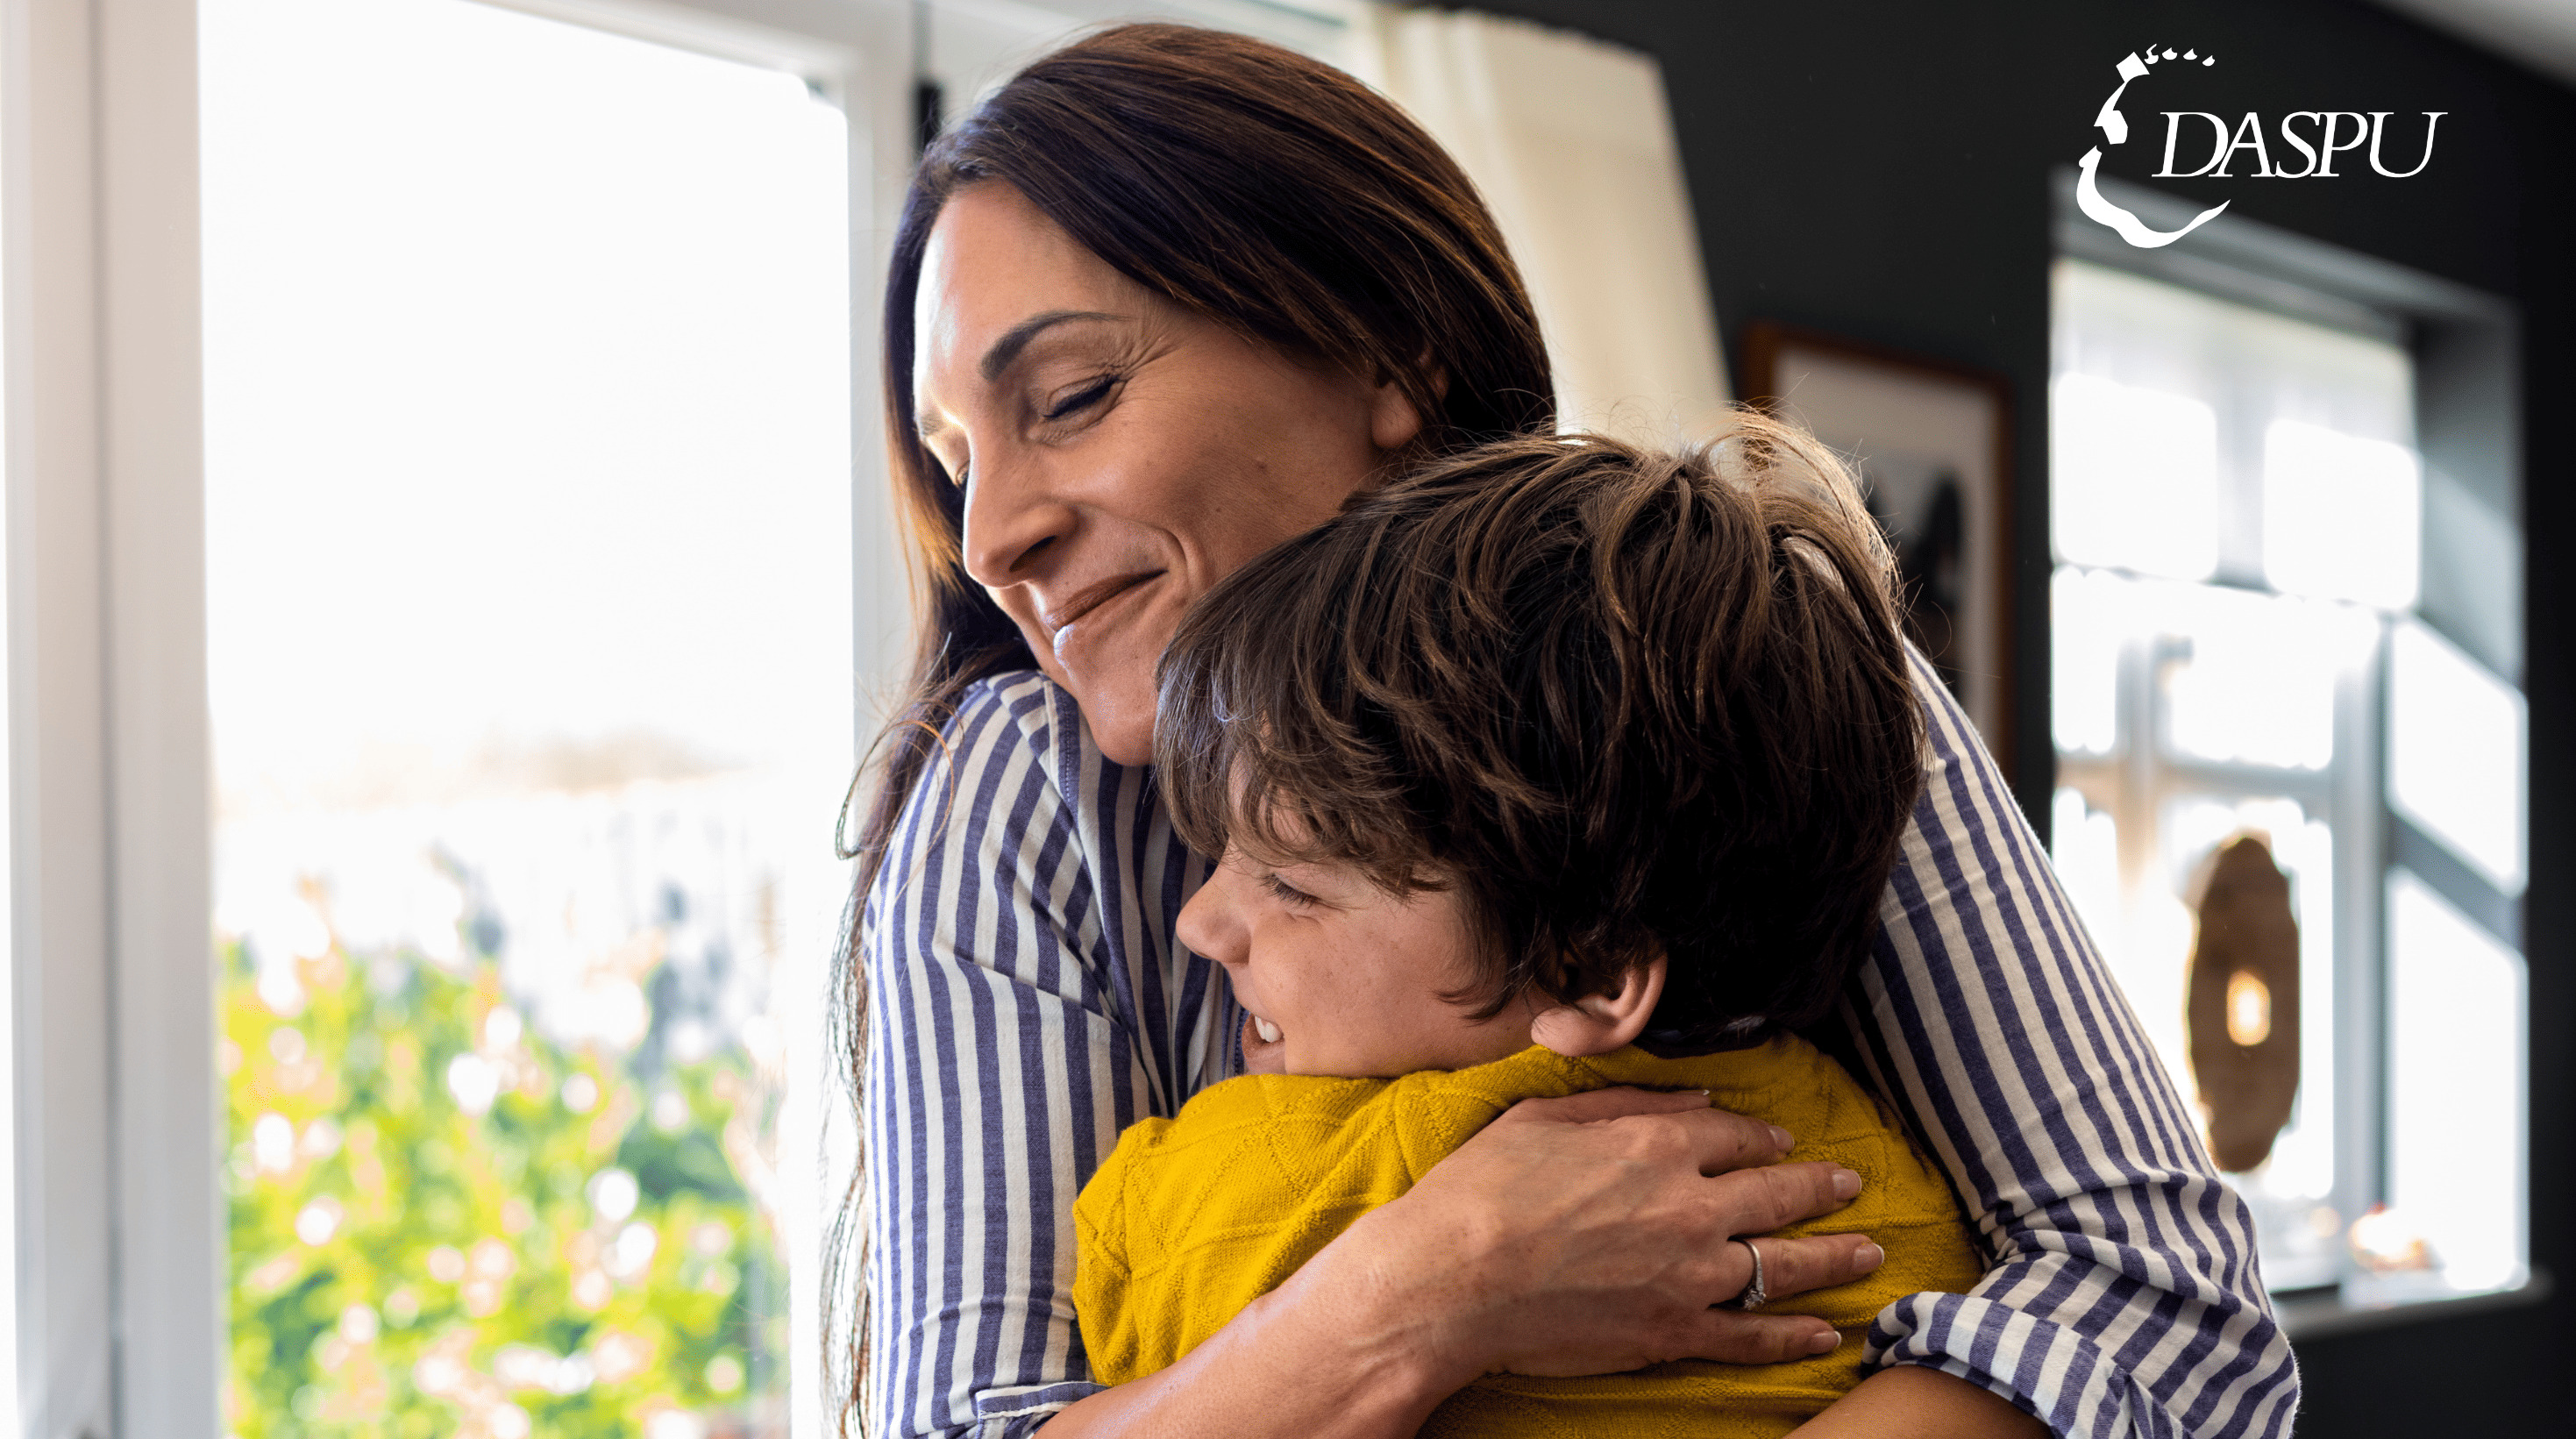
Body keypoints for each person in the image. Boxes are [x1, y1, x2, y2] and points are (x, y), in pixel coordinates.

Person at [841, 21, 2294, 1439]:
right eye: (952, 460)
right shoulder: (1013, 801)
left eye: (1072, 396)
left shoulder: (1738, 673)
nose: (989, 535)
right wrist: (1434, 1284)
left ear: (1386, 352)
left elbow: (2168, 1314)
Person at [1075, 426, 1989, 1439]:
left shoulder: (1283, 1173)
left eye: (1291, 886)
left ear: (1586, 968)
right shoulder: (1891, 1190)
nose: (1201, 924)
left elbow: (1124, 1286)